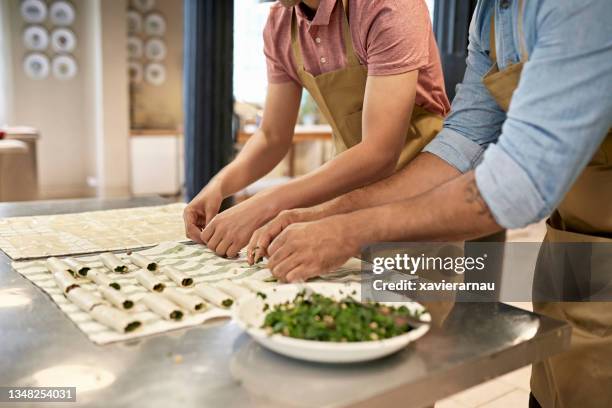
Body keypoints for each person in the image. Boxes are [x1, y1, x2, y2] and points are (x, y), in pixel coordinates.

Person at [249, 0, 612, 406]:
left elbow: (518, 184)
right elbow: (462, 146)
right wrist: (322, 215)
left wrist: (353, 230)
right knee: (551, 391)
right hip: (571, 248)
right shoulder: (490, 15)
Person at [183, 0, 450, 257]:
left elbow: (379, 151)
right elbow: (271, 136)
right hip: (351, 196)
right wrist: (220, 185)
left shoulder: (387, 7)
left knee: (415, 299)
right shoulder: (279, 24)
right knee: (357, 299)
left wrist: (266, 204)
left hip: (424, 192)